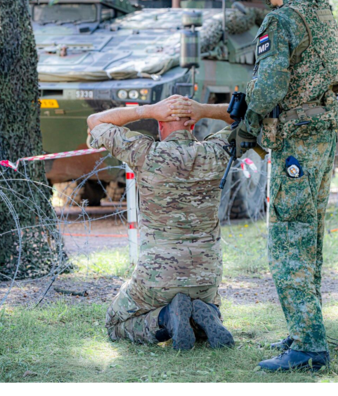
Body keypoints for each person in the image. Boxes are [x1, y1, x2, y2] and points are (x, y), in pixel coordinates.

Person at [240, 0, 338, 372]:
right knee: (311, 237)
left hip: (297, 143)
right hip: (324, 134)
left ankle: (308, 347)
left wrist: (246, 120)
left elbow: (267, 89)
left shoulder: (280, 22)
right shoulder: (322, 11)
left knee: (289, 241)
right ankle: (308, 330)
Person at [86, 94, 235, 351]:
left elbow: (95, 120)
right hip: (206, 276)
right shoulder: (215, 151)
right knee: (201, 303)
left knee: (114, 323)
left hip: (157, 278)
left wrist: (149, 109)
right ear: (193, 125)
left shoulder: (145, 152)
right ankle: (207, 312)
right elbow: (253, 119)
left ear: (159, 125)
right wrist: (204, 109)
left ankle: (165, 318)